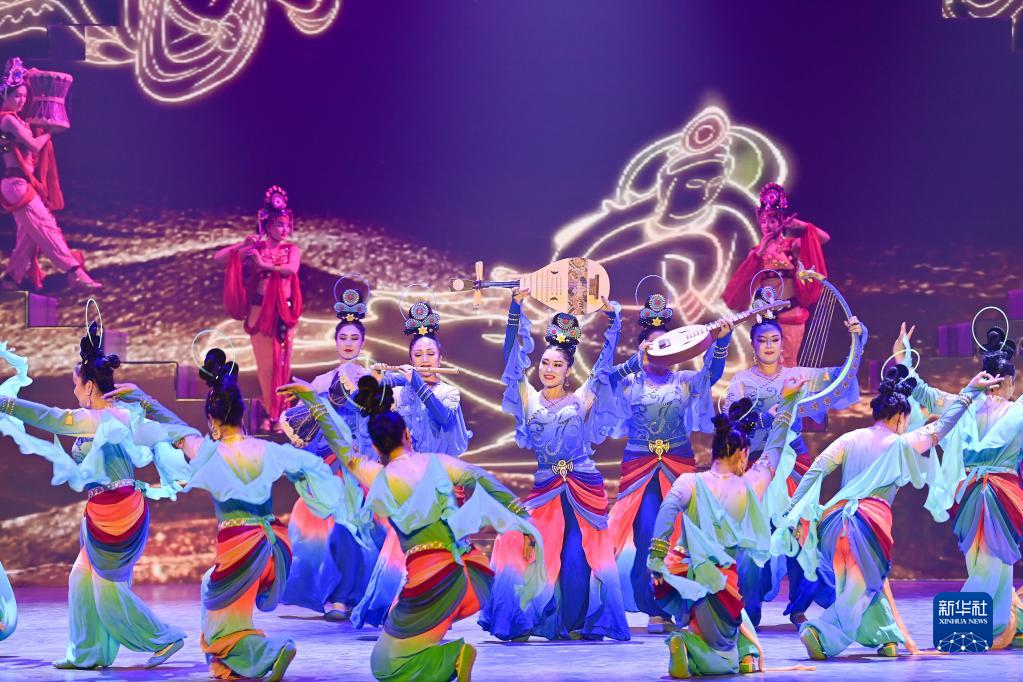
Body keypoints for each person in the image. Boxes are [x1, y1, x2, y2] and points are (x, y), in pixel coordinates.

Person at [279, 375, 545, 681]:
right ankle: (449, 659)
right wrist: (523, 521)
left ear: (375, 446)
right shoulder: (438, 462)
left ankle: (453, 657)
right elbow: (486, 482)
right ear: (407, 434)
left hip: (430, 578)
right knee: (407, 651)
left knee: (384, 663)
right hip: (469, 570)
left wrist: (313, 399)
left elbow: (342, 448)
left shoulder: (378, 476)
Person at [111, 348, 350, 680]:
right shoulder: (269, 450)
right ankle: (229, 666)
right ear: (242, 415)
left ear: (213, 421)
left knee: (220, 627)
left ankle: (270, 650)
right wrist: (314, 402)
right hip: (272, 546)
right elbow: (325, 459)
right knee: (216, 600)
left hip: (240, 548)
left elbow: (174, 427)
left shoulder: (208, 451)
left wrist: (142, 399)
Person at [774, 365, 999, 660]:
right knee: (860, 587)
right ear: (901, 417)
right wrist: (969, 392)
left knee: (865, 581)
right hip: (867, 523)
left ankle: (886, 636)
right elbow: (942, 426)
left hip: (833, 522)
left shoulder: (850, 438)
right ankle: (821, 632)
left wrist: (793, 510)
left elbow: (816, 469)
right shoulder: (901, 443)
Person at [0, 324, 186, 669]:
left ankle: (164, 637)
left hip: (118, 514)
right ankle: (87, 653)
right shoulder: (116, 415)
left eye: (75, 384)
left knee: (107, 590)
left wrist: (5, 403)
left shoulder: (98, 418)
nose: (73, 391)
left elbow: (48, 417)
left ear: (89, 386)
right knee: (81, 578)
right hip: (105, 510)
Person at [478, 289, 630, 641]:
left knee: (576, 560)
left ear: (568, 370)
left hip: (583, 487)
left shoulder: (582, 398)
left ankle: (573, 624)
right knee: (519, 542)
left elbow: (605, 363)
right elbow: (511, 355)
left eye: (557, 364)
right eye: (545, 363)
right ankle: (519, 619)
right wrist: (515, 309)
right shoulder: (528, 398)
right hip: (546, 487)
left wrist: (613, 320)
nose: (549, 369)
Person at [724, 303, 864, 625]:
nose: (769, 345)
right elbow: (732, 417)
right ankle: (750, 608)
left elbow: (841, 377)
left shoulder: (798, 376)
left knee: (801, 531)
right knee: (756, 534)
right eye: (762, 340)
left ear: (782, 344)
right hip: (759, 462)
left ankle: (800, 605)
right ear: (753, 345)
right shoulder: (743, 381)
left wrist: (858, 340)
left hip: (795, 464)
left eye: (775, 339)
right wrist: (764, 417)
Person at [648, 388, 803, 677]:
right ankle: (689, 645)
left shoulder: (689, 481)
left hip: (680, 573)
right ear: (743, 454)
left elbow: (666, 512)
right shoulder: (751, 483)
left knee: (722, 629)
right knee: (724, 659)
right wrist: (789, 402)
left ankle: (729, 648)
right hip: (719, 579)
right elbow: (775, 449)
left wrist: (656, 558)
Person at [605, 292, 732, 632]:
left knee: (682, 533)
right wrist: (635, 360)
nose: (661, 351)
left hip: (678, 464)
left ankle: (683, 605)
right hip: (641, 468)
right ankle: (654, 607)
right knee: (648, 532)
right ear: (642, 347)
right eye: (653, 345)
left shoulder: (684, 381)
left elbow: (711, 375)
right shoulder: (628, 383)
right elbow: (604, 379)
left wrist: (722, 341)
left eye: (667, 345)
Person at [897, 323, 1023, 648]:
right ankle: (969, 628)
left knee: (986, 562)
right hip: (1002, 493)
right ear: (1009, 381)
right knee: (994, 565)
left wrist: (903, 359)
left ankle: (996, 625)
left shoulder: (963, 405)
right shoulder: (1018, 411)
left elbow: (923, 393)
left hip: (971, 492)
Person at [352, 299, 473, 627]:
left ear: (440, 358)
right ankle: (402, 610)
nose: (425, 360)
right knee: (402, 550)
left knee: (438, 550)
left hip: (439, 483)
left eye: (430, 354)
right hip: (408, 482)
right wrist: (376, 383)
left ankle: (434, 610)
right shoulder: (399, 392)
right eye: (418, 355)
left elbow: (443, 419)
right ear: (410, 359)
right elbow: (372, 418)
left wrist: (416, 383)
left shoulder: (449, 393)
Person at [279, 279, 382, 621]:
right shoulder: (322, 382)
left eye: (354, 338)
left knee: (364, 531)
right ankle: (339, 596)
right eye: (343, 338)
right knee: (336, 531)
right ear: (335, 341)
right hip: (332, 468)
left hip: (363, 466)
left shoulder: (373, 380)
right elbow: (306, 427)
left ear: (363, 342)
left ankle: (359, 596)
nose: (349, 343)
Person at [0, 57, 100, 290]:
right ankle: (74, 272)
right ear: (5, 95)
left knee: (29, 235)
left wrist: (29, 75)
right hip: (16, 184)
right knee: (46, 227)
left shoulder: (15, 120)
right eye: (17, 96)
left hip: (19, 183)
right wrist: (50, 132)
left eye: (24, 95)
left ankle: (11, 279)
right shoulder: (7, 120)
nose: (22, 100)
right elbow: (34, 146)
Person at [217, 185, 302, 432]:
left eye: (286, 225)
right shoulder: (256, 248)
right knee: (265, 367)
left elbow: (292, 269)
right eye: (279, 225)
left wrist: (265, 265)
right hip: (259, 311)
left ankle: (281, 413)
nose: (284, 230)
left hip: (282, 313)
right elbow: (219, 259)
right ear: (267, 225)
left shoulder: (291, 250)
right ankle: (270, 412)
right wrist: (241, 245)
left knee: (282, 364)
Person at [722, 183, 830, 366]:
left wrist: (802, 225)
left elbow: (824, 238)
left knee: (788, 363)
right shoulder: (756, 252)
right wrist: (761, 250)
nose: (767, 226)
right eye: (764, 222)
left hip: (791, 314)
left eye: (772, 221)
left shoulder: (791, 246)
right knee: (767, 364)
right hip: (767, 316)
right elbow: (743, 281)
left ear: (781, 222)